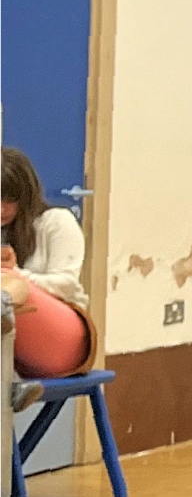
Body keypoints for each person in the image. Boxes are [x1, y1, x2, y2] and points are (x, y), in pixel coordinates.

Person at [2, 147, 94, 413]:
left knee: (4, 279)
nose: (1, 209)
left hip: (66, 336)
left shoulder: (56, 222)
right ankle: (11, 380)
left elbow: (65, 283)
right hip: (16, 349)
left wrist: (17, 274)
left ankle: (4, 301)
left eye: (10, 199)